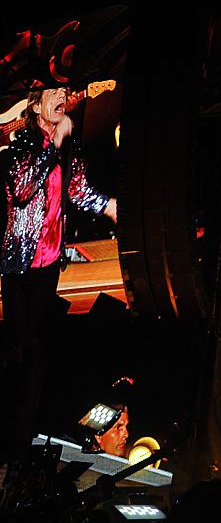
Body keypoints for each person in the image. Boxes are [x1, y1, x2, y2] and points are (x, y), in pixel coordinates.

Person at [0, 86, 117, 467]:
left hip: (48, 263)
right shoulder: (24, 142)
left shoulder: (68, 142)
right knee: (16, 354)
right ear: (35, 104)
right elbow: (21, 190)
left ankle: (20, 446)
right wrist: (55, 141)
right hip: (19, 263)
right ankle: (3, 435)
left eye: (65, 91)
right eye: (54, 92)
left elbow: (77, 189)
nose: (62, 97)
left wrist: (109, 206)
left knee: (37, 355)